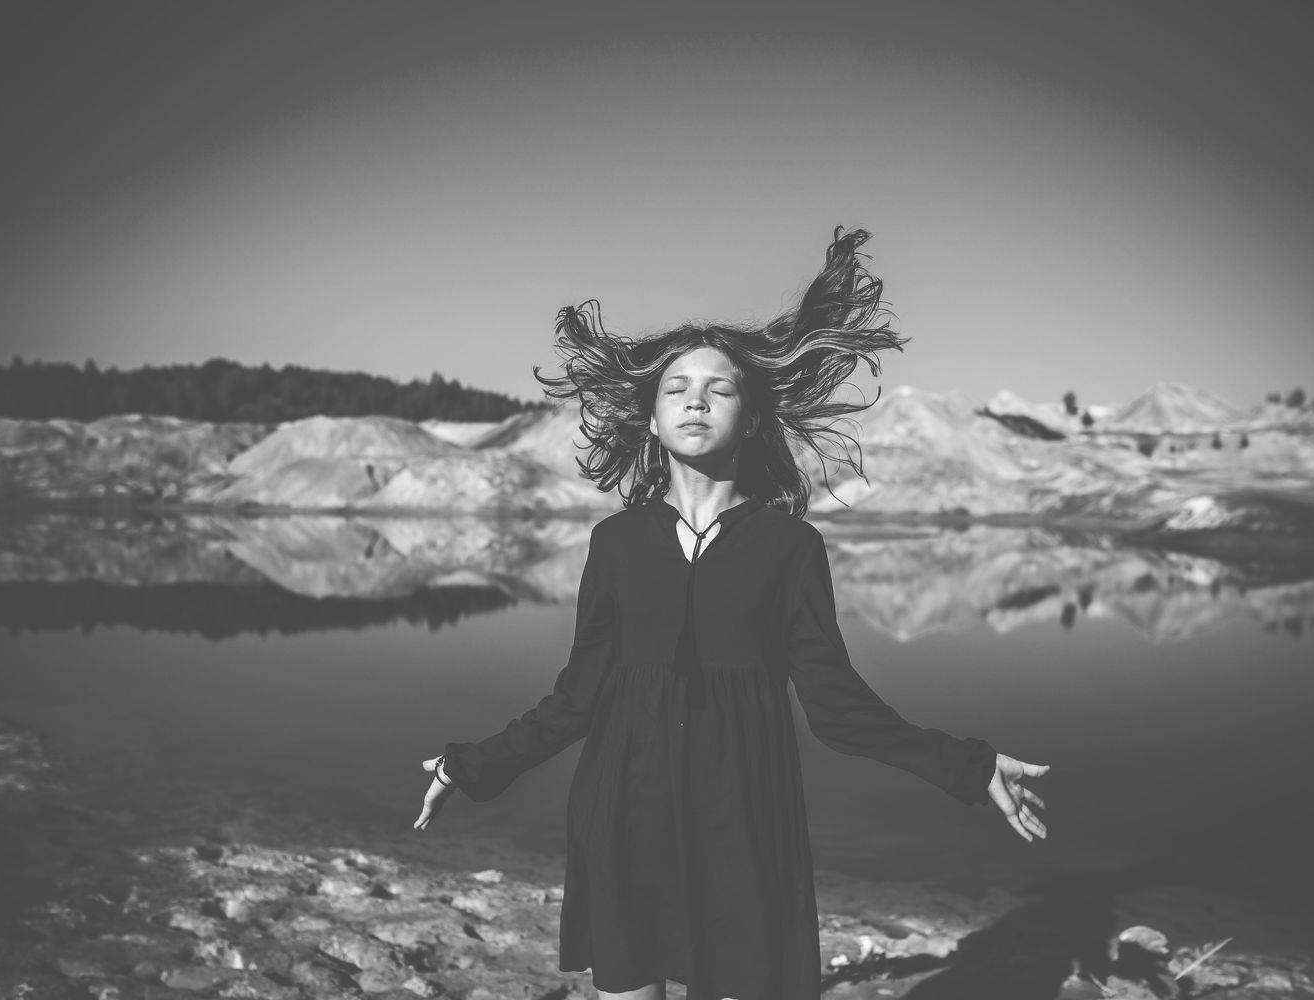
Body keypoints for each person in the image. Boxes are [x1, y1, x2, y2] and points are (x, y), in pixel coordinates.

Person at [412, 226, 1049, 1000]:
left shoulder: (789, 547)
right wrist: (467, 765)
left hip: (743, 822)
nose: (695, 400)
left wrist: (968, 765)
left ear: (750, 419)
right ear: (651, 419)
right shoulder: (616, 544)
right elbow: (576, 699)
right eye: (676, 389)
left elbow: (838, 708)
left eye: (719, 389)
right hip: (623, 813)